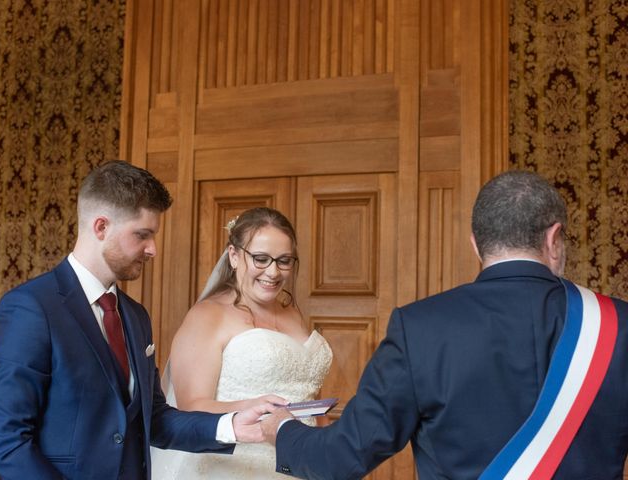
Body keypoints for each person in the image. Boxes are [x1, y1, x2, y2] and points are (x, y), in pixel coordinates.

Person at [261, 170, 628, 479]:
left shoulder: (419, 327)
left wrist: (282, 429)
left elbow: (340, 458)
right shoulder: (619, 326)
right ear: (554, 238)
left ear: (475, 244)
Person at [0, 160, 273, 480]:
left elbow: (155, 420)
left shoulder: (136, 316)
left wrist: (230, 425)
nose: (152, 249)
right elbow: (6, 442)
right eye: (142, 235)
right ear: (101, 227)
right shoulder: (31, 308)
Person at [150, 207, 333, 479]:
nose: (273, 272)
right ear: (234, 256)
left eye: (284, 261)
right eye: (261, 259)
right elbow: (190, 408)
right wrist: (251, 406)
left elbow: (300, 388)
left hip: (296, 457)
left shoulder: (291, 311)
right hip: (234, 463)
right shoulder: (207, 315)